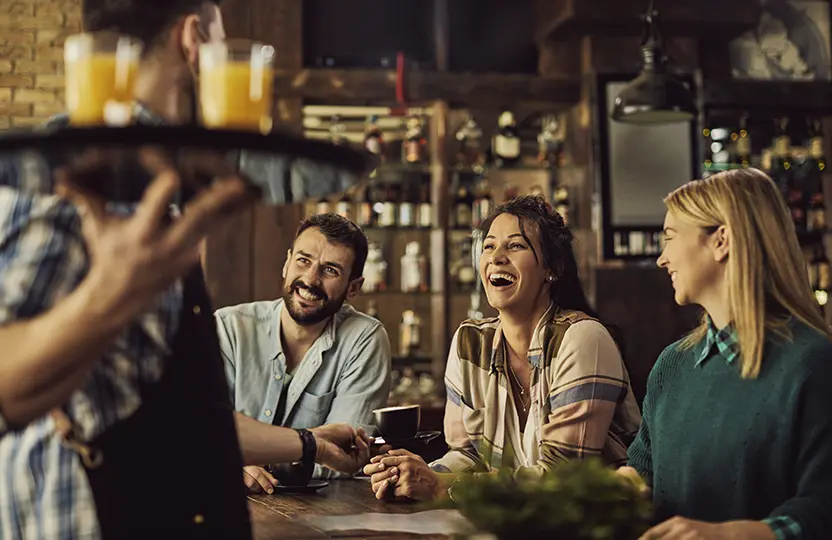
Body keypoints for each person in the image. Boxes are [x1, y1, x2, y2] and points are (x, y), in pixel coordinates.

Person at [0, 1, 370, 539]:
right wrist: (111, 292)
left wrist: (311, 443)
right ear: (194, 38)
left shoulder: (159, 184)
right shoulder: (83, 176)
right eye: (224, 41)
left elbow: (177, 419)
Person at [364, 195, 642, 500]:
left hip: (593, 523)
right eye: (488, 246)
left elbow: (563, 477)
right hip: (511, 520)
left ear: (553, 268)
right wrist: (412, 474)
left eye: (516, 245)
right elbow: (467, 455)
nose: (496, 257)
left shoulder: (583, 338)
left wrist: (441, 486)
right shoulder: (470, 342)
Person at [622, 168, 832, 540]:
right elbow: (644, 473)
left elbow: (822, 506)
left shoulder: (812, 364)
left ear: (721, 241)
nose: (661, 258)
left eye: (669, 238)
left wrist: (729, 535)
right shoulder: (672, 365)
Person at [216, 213, 392, 490]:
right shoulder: (228, 329)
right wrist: (311, 443)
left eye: (331, 270)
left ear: (353, 287)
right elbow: (195, 432)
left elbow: (345, 458)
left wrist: (240, 456)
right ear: (287, 263)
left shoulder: (364, 339)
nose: (310, 279)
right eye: (303, 260)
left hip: (319, 516)